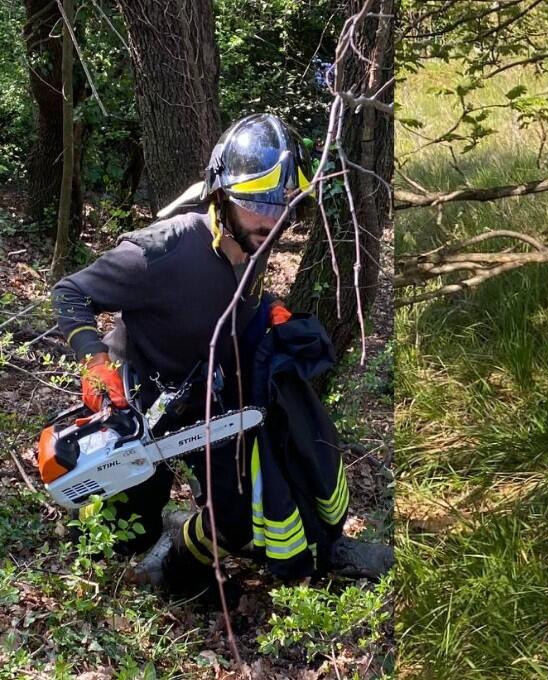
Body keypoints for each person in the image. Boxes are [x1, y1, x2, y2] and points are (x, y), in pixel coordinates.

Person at [50, 113, 392, 603]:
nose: (273, 222)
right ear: (222, 197)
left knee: (232, 516)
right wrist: (95, 360)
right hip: (140, 404)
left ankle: (180, 576)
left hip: (205, 401)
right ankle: (109, 578)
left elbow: (222, 302)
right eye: (258, 205)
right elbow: (70, 292)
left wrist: (263, 312)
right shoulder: (164, 250)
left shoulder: (253, 242)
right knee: (126, 531)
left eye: (284, 208)